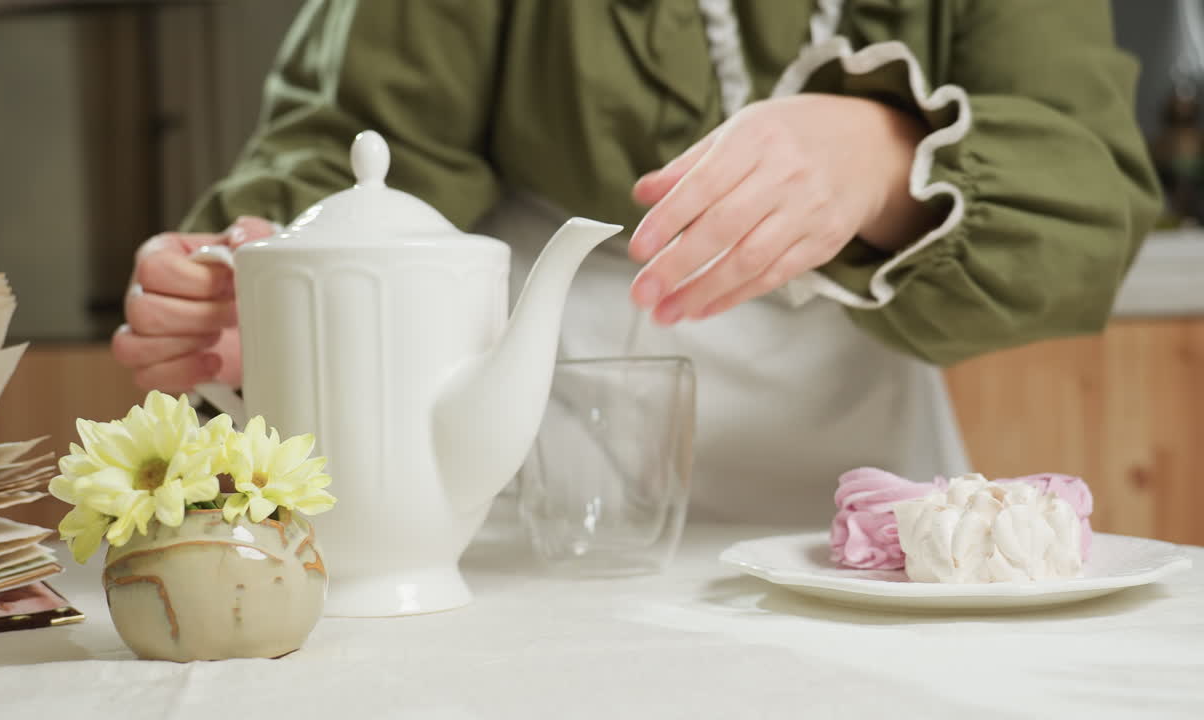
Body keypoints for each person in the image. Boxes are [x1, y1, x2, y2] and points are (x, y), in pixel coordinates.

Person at [112, 0, 1160, 527]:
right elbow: (352, 138)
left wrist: (886, 160)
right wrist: (300, 289)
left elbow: (1090, 205)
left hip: (863, 462)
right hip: (535, 468)